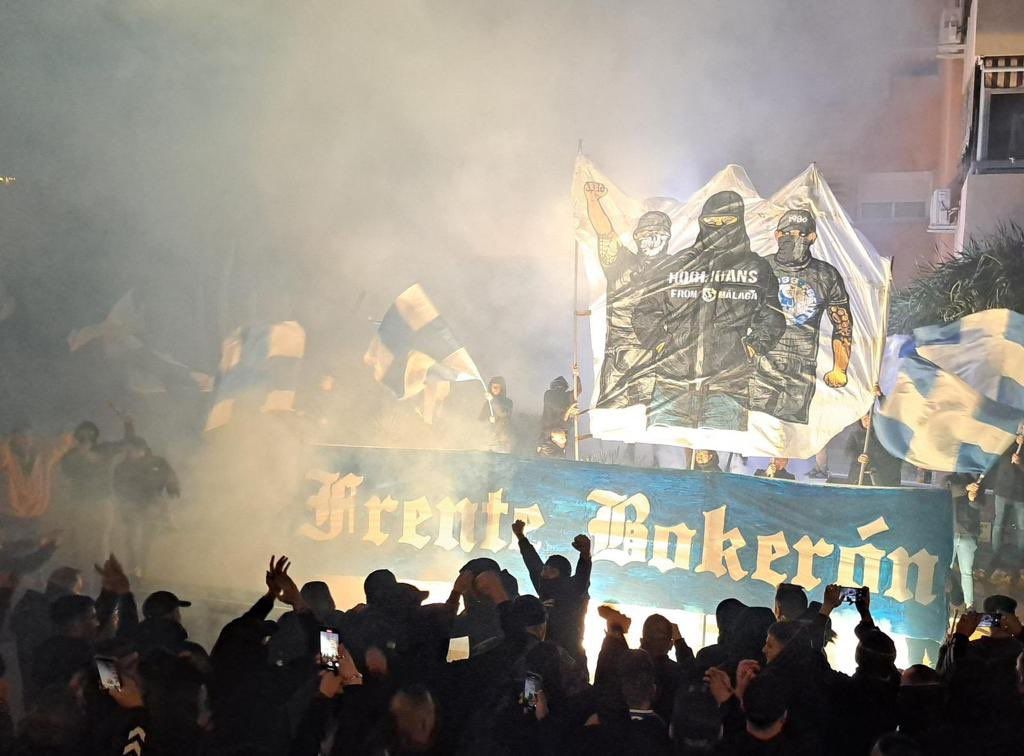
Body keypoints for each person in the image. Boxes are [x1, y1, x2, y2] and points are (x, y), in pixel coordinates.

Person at [633, 190, 786, 431]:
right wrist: (661, 343)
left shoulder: (756, 267)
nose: (719, 228)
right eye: (712, 222)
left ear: (739, 221)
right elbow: (645, 310)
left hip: (727, 388)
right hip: (672, 384)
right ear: (702, 223)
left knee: (718, 455)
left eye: (727, 222)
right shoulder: (677, 264)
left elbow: (772, 317)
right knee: (670, 449)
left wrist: (751, 347)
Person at [750, 209, 853, 423]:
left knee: (789, 433)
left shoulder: (825, 275)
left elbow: (842, 324)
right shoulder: (760, 267)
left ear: (812, 238)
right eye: (785, 233)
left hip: (800, 368)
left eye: (799, 233)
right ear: (777, 235)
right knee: (755, 427)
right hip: (760, 363)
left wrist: (839, 369)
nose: (792, 238)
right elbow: (735, 312)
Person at [583, 181, 672, 409]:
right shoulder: (621, 263)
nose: (651, 239)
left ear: (667, 237)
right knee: (617, 418)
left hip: (657, 359)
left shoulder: (677, 269)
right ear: (637, 236)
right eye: (645, 233)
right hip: (619, 357)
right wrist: (593, 200)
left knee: (652, 421)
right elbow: (605, 232)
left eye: (658, 233)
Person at [58, 416, 135, 569]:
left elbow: (127, 444)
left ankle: (101, 579)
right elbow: (65, 472)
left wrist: (128, 423)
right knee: (81, 542)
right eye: (83, 434)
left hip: (101, 502)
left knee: (101, 542)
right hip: (81, 504)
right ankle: (81, 579)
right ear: (77, 436)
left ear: (95, 435)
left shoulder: (104, 449)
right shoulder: (71, 454)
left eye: (90, 433)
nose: (86, 437)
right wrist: (80, 455)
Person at [511, 519, 591, 663]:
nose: (545, 573)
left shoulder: (572, 592)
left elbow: (582, 578)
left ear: (562, 576)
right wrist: (520, 536)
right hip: (543, 653)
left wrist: (585, 555)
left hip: (570, 655)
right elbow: (532, 560)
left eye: (552, 570)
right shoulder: (543, 584)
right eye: (545, 568)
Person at [112, 436, 180, 578]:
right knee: (131, 538)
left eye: (132, 450)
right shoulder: (122, 467)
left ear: (141, 449)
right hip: (132, 505)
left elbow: (170, 476)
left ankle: (145, 570)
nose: (129, 453)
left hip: (152, 504)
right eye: (127, 450)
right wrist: (123, 504)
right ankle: (132, 569)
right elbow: (117, 486)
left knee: (147, 541)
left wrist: (173, 489)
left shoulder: (157, 462)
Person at [0, 421, 73, 539]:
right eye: (21, 437)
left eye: (29, 436)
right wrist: (4, 442)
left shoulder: (43, 459)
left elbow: (60, 448)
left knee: (31, 550)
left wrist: (65, 433)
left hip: (34, 517)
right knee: (12, 552)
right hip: (10, 517)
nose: (26, 440)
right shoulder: (7, 459)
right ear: (13, 440)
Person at [991, 434, 1024, 583]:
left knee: (1022, 528)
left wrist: (1020, 463)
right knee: (998, 525)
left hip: (1021, 493)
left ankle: (1020, 561)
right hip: (1003, 490)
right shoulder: (1005, 440)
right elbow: (995, 459)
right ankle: (995, 558)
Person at [948, 472, 982, 607]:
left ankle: (969, 604)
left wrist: (973, 499)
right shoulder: (949, 479)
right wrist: (966, 488)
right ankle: (944, 599)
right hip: (950, 533)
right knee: (946, 569)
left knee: (966, 572)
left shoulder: (977, 482)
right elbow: (948, 490)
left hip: (968, 534)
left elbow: (980, 506)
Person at [846, 414, 902, 486]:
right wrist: (858, 457)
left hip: (881, 477)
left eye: (870, 419)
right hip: (858, 476)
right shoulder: (856, 435)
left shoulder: (885, 436)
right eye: (865, 419)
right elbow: (848, 451)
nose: (868, 422)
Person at [480, 376, 514, 453]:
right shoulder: (487, 403)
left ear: (502, 388)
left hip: (502, 443)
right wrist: (488, 420)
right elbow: (480, 420)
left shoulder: (508, 402)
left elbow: (503, 414)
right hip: (489, 441)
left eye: (497, 387)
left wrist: (492, 400)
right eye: (493, 387)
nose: (495, 389)